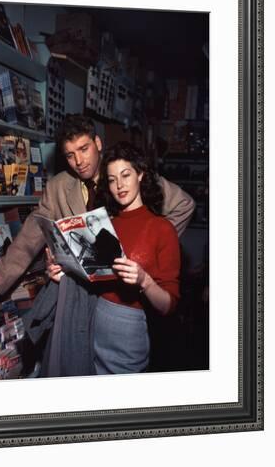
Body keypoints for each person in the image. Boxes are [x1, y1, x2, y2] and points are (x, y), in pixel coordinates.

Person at [0, 114, 194, 304]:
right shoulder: (57, 187)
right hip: (79, 296)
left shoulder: (125, 173)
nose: (79, 161)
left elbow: (184, 205)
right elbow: (30, 236)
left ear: (97, 143)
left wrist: (149, 249)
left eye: (84, 149)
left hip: (128, 297)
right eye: (70, 155)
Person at [94, 141, 181, 374]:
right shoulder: (104, 224)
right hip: (93, 325)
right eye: (112, 180)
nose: (119, 185)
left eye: (125, 175)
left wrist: (145, 280)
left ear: (140, 174)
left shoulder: (162, 228)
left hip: (128, 334)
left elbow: (168, 306)